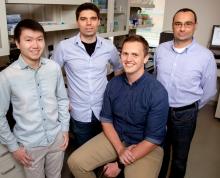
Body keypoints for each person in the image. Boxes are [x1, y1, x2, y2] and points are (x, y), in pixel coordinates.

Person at [67, 35, 169, 178]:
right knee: (75, 162)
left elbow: (153, 139)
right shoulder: (113, 84)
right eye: (125, 54)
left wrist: (120, 164)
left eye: (135, 54)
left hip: (145, 145)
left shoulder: (157, 92)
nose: (128, 59)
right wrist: (121, 149)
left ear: (146, 58)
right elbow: (106, 120)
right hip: (118, 136)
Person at [0, 19, 70, 178]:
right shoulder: (6, 76)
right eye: (28, 40)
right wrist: (13, 147)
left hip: (56, 138)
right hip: (29, 145)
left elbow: (62, 100)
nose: (35, 45)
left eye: (39, 39)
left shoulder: (53, 68)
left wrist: (64, 129)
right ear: (17, 43)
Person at [154, 8, 217, 178]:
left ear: (195, 26)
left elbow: (209, 91)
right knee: (159, 152)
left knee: (180, 158)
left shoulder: (205, 56)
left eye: (188, 24)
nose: (182, 28)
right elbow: (155, 79)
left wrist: (191, 107)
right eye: (178, 24)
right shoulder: (160, 50)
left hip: (185, 114)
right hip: (159, 112)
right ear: (173, 26)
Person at [52, 2, 122, 148]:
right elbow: (51, 75)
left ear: (98, 21)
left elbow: (118, 68)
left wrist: (114, 94)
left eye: (93, 18)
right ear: (78, 21)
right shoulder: (64, 47)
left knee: (105, 152)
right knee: (83, 154)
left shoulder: (108, 46)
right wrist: (63, 98)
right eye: (83, 19)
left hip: (105, 110)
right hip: (79, 112)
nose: (88, 23)